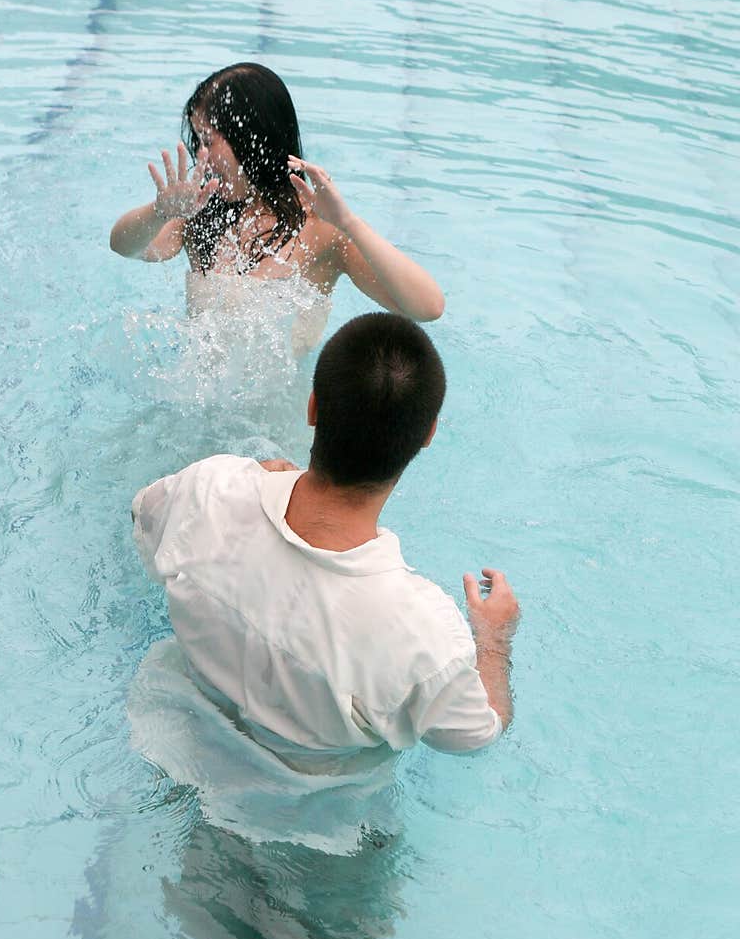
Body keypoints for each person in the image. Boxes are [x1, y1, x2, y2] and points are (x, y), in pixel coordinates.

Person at [131, 313, 519, 768]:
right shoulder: (423, 634)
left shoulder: (211, 488)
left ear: (313, 407)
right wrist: (494, 639)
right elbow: (476, 732)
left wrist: (252, 482)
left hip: (170, 746)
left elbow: (144, 520)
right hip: (314, 822)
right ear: (429, 434)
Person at [109, 63, 444, 350]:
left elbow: (427, 306)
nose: (202, 157)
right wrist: (159, 213)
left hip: (277, 423)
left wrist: (349, 223)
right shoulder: (200, 214)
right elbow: (125, 247)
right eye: (198, 142)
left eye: (209, 142)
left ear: (254, 138)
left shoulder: (321, 230)